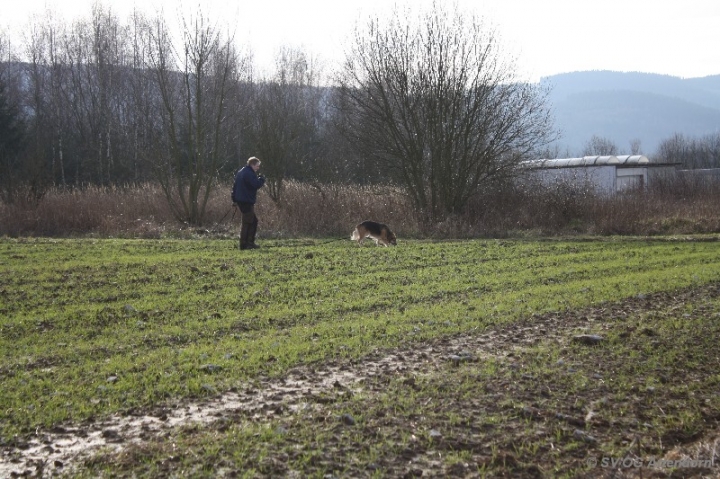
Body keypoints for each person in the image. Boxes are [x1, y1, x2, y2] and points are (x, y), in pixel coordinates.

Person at [232, 157, 266, 250]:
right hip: (246, 200)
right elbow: (255, 185)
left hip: (241, 200)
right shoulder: (249, 173)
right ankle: (247, 244)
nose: (258, 168)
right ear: (252, 164)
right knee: (250, 222)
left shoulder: (241, 172)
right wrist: (262, 179)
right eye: (257, 166)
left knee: (250, 221)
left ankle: (246, 243)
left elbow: (234, 187)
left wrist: (234, 199)